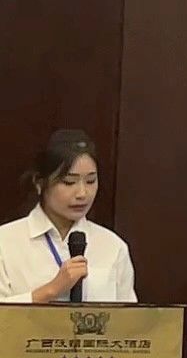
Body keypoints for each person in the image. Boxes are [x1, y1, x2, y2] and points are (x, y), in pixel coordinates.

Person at [0, 130, 136, 304]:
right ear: (40, 183)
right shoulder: (6, 242)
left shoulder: (113, 247)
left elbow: (129, 317)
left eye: (91, 181)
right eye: (69, 182)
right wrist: (51, 290)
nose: (82, 193)